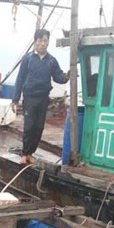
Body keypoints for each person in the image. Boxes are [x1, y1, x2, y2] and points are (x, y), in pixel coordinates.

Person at [12, 29, 70, 165]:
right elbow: (20, 79)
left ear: (48, 42)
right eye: (40, 41)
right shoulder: (28, 59)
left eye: (45, 41)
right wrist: (15, 99)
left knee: (39, 127)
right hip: (30, 97)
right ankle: (24, 153)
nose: (42, 44)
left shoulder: (51, 60)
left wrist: (67, 76)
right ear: (35, 42)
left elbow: (58, 77)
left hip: (43, 98)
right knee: (29, 126)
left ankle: (31, 153)